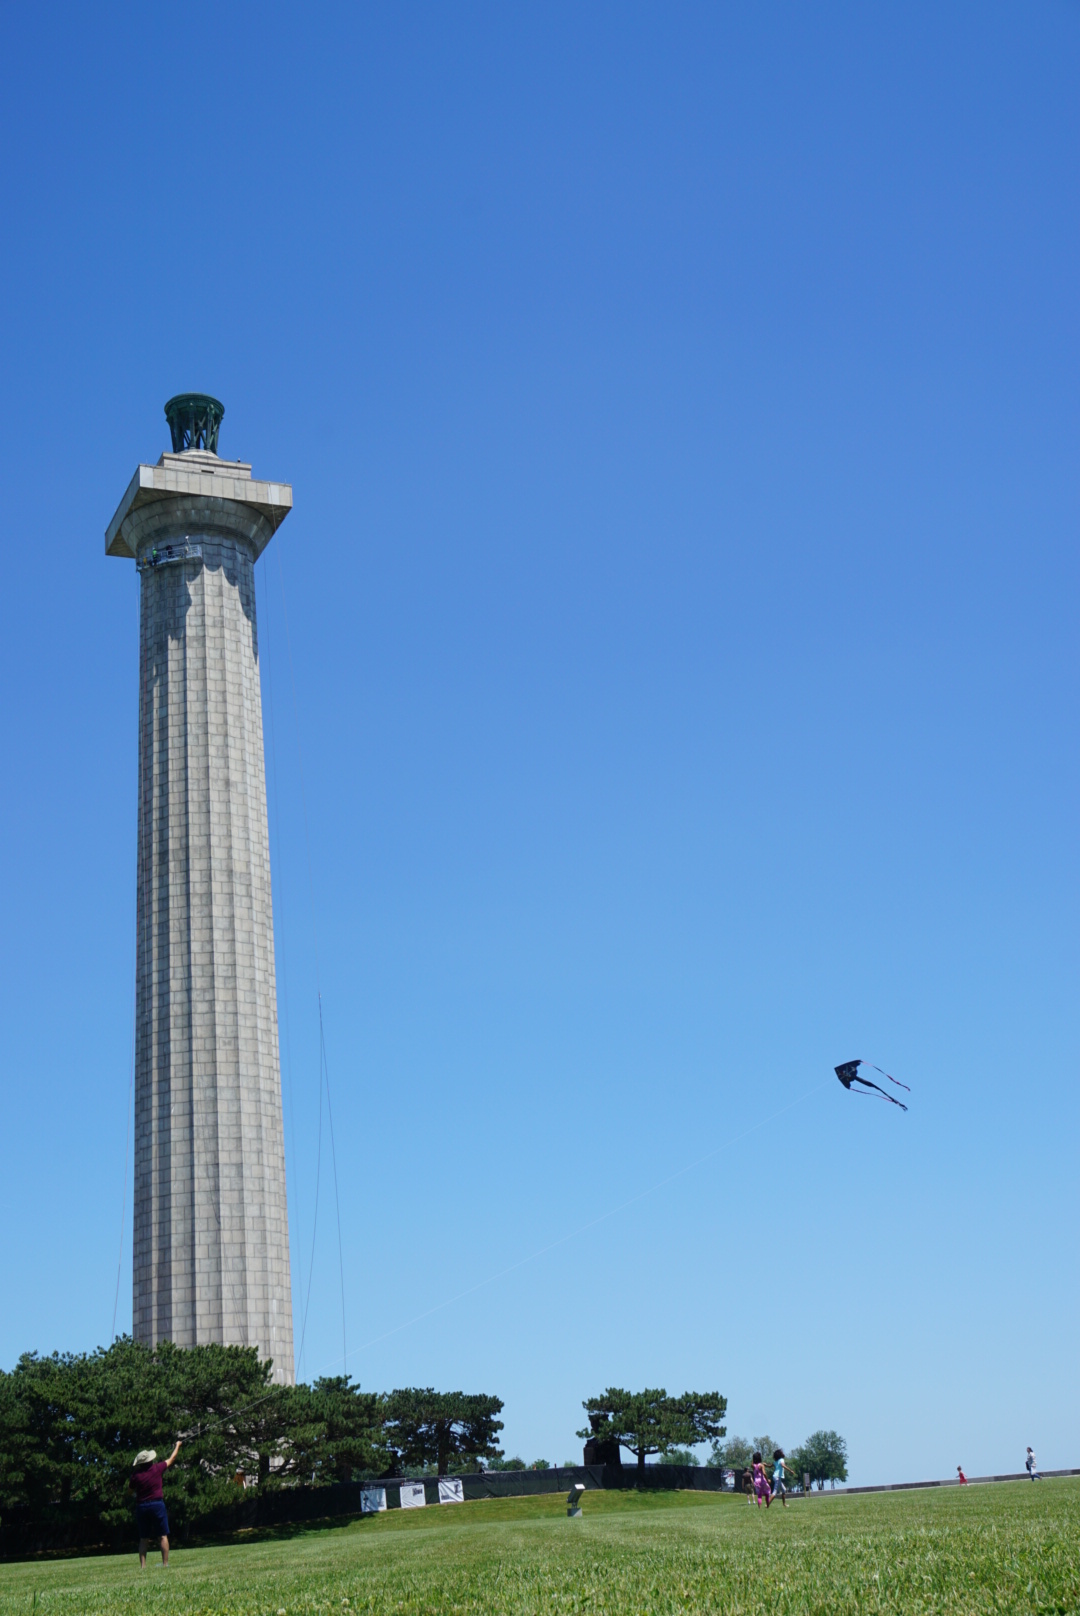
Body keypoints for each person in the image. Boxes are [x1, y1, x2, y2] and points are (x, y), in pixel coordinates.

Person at [129, 1441, 181, 1567]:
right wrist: (178, 1445)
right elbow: (172, 1459)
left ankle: (143, 1566)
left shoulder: (136, 1475)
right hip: (157, 1505)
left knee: (143, 1538)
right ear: (150, 1460)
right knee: (162, 1535)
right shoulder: (157, 1468)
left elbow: (129, 1491)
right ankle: (165, 1564)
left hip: (142, 1506)